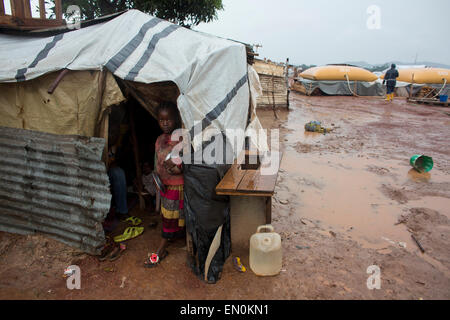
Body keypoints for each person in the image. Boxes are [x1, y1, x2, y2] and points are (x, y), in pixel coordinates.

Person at [144, 101, 184, 268]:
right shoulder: (159, 140)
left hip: (178, 185)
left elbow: (186, 161)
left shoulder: (182, 138)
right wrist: (155, 174)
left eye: (168, 119)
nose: (165, 123)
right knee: (167, 213)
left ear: (175, 119)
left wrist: (177, 168)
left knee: (172, 215)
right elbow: (157, 161)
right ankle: (172, 236)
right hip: (164, 185)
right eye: (161, 120)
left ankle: (162, 247)